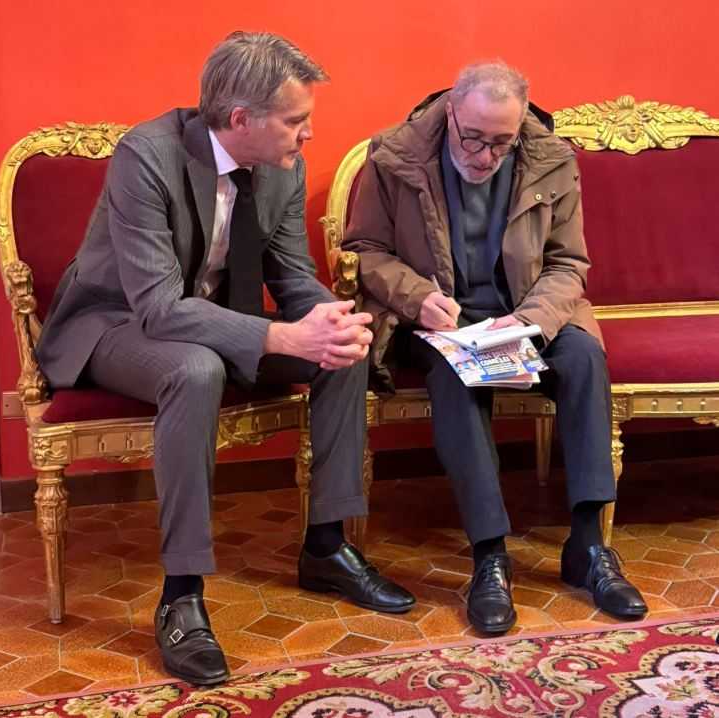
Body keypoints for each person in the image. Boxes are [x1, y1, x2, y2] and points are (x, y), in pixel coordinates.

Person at [36, 31, 415, 686]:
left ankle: (327, 547)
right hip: (114, 323)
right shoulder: (146, 156)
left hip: (209, 316)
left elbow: (291, 276)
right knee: (195, 368)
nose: (308, 134)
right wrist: (283, 338)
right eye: (295, 120)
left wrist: (329, 319)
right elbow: (158, 308)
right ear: (241, 119)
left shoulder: (282, 167)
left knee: (341, 352)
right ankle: (181, 595)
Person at [342, 61, 646, 635]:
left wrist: (529, 322)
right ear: (451, 113)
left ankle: (587, 547)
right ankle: (490, 556)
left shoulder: (552, 158)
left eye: (501, 143)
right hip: (439, 319)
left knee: (584, 356)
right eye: (473, 139)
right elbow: (366, 251)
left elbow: (568, 263)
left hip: (526, 313)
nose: (485, 157)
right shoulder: (394, 155)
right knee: (453, 372)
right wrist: (418, 298)